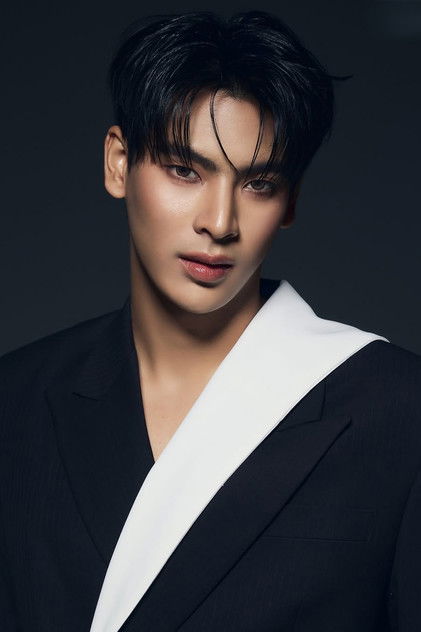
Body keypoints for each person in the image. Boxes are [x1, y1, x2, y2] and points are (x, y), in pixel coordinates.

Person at [0, 9, 420, 632]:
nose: (219, 222)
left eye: (259, 184)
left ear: (291, 201)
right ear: (118, 163)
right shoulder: (15, 401)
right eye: (184, 170)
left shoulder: (398, 410)